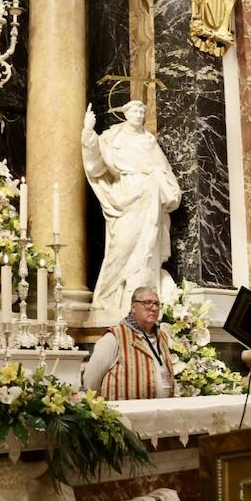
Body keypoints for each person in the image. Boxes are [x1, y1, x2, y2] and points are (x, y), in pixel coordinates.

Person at [82, 101, 182, 325]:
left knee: (147, 255)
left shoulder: (149, 142)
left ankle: (143, 305)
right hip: (126, 198)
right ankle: (107, 300)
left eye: (142, 112)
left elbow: (165, 172)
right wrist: (89, 132)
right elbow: (95, 163)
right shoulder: (113, 137)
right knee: (121, 249)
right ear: (125, 113)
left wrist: (161, 182)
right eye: (134, 111)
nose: (138, 115)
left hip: (151, 202)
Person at [83, 286, 175, 400]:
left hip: (161, 412)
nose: (154, 308)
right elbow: (91, 379)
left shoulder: (162, 337)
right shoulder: (114, 336)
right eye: (147, 303)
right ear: (133, 307)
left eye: (157, 304)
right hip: (123, 413)